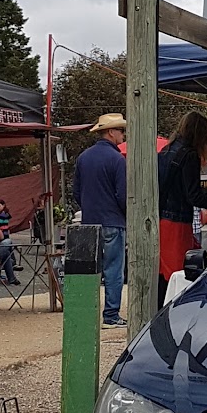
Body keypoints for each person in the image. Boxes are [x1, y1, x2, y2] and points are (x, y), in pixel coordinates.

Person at [73, 112, 128, 328]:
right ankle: (111, 315)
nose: (123, 135)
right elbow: (122, 195)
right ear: (111, 132)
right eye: (121, 131)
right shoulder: (117, 160)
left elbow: (76, 192)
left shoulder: (83, 157)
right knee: (113, 270)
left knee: (90, 270)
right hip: (113, 221)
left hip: (89, 222)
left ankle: (86, 315)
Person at [158, 111, 207, 307]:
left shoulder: (166, 151)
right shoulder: (189, 154)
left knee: (165, 277)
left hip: (162, 219)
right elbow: (194, 196)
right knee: (182, 275)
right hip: (178, 222)